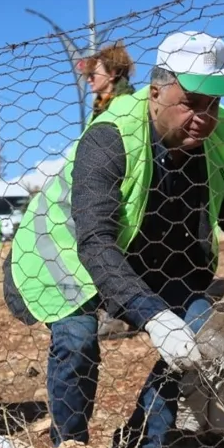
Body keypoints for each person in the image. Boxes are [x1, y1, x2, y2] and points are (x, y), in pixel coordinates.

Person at [4, 31, 224, 448]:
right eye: (191, 103)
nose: (203, 116)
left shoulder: (219, 134)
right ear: (156, 92)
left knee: (199, 336)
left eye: (212, 105)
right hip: (62, 258)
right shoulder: (109, 136)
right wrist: (155, 318)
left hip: (150, 257)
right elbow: (96, 242)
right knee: (77, 339)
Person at [82, 41, 138, 340]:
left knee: (115, 248)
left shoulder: (124, 106)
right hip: (105, 191)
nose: (89, 79)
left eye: (95, 72)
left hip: (123, 191)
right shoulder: (102, 105)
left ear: (114, 73)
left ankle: (120, 314)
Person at [82, 41, 136, 121]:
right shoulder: (96, 110)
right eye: (88, 75)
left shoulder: (125, 103)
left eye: (93, 74)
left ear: (111, 74)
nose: (89, 80)